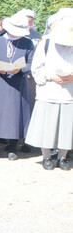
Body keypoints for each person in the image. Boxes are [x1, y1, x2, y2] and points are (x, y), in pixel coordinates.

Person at [0, 13, 35, 160]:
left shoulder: (27, 43)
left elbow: (32, 63)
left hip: (17, 83)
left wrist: (21, 69)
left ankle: (13, 147)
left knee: (14, 115)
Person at [25, 16, 73, 170]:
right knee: (47, 126)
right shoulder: (45, 43)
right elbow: (36, 67)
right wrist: (51, 75)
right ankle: (46, 156)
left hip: (68, 91)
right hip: (48, 90)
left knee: (66, 126)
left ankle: (62, 157)